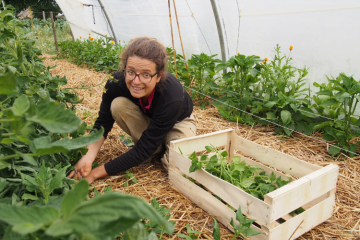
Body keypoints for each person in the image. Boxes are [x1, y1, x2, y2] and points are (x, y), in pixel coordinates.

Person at [68, 37, 196, 183]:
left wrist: (95, 174)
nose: (136, 81)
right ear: (124, 68)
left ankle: (159, 149)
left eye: (146, 75)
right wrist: (87, 158)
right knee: (117, 104)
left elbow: (142, 149)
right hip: (147, 116)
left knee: (179, 168)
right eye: (131, 72)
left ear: (159, 76)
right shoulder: (115, 83)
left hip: (178, 121)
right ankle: (156, 150)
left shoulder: (172, 95)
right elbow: (102, 124)